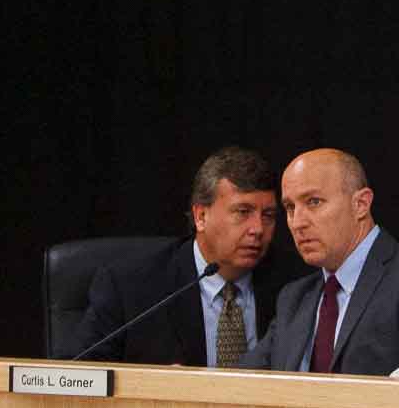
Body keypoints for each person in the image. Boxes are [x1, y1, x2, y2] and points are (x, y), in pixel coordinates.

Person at [241, 148, 399, 378]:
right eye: (290, 207)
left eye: (313, 202)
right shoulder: (294, 298)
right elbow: (237, 383)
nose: (297, 222)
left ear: (361, 204)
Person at [73, 146, 301, 365]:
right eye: (243, 212)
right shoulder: (130, 287)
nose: (258, 229)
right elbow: (80, 377)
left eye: (268, 215)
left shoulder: (297, 285)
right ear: (201, 216)